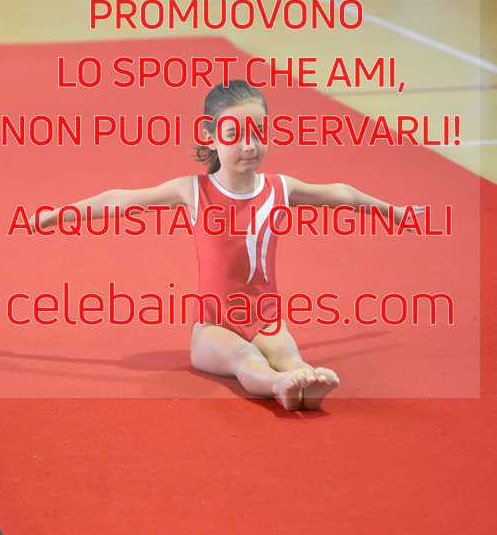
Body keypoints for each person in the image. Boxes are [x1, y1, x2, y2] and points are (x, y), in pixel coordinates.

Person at [31, 81, 424, 411]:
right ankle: (278, 385)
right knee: (244, 357)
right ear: (211, 136)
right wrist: (57, 214)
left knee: (288, 354)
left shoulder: (281, 188)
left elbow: (342, 194)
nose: (249, 146)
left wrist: (393, 211)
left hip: (266, 319)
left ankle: (301, 384)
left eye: (258, 133)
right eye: (235, 135)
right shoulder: (193, 191)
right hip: (213, 327)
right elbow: (120, 200)